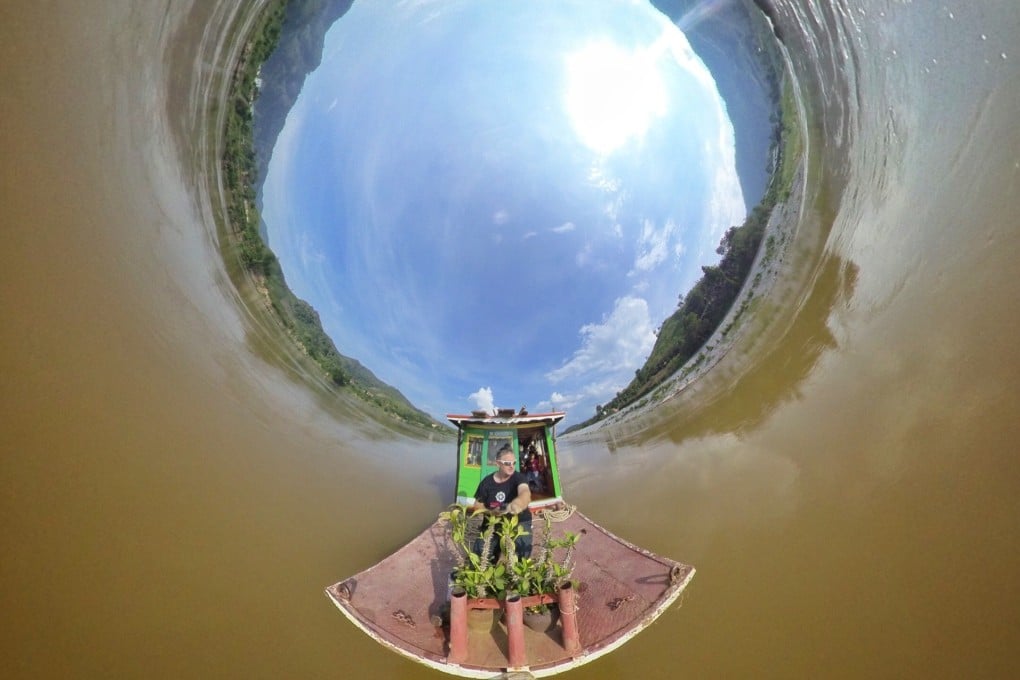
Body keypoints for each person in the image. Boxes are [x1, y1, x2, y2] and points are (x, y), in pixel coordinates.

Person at [472, 444, 532, 560]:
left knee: (522, 553)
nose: (512, 467)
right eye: (507, 463)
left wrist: (517, 504)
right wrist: (491, 512)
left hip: (519, 521)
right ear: (498, 463)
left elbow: (525, 493)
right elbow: (477, 505)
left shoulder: (519, 478)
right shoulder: (486, 482)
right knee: (481, 554)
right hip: (494, 522)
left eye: (514, 463)